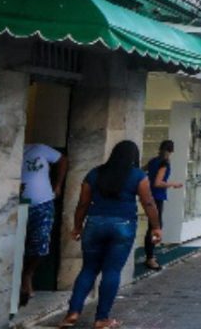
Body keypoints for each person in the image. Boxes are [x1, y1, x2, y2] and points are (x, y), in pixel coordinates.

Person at [59, 141, 161, 329]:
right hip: (123, 225)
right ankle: (101, 319)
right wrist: (156, 227)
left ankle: (72, 313)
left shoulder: (94, 173)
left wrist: (77, 226)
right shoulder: (138, 175)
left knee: (88, 269)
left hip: (95, 224)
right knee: (112, 271)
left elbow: (83, 203)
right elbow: (148, 202)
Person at [19, 143, 66, 306]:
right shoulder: (7, 151)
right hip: (15, 205)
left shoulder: (39, 149)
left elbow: (62, 160)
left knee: (40, 244)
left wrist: (58, 185)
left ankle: (27, 274)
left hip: (42, 204)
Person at [144, 140, 183, 270]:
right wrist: (173, 184)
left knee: (153, 226)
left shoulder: (153, 161)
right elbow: (158, 182)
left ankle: (150, 254)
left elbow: (143, 171)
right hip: (157, 197)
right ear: (171, 151)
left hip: (149, 195)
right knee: (155, 227)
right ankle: (150, 257)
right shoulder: (164, 163)